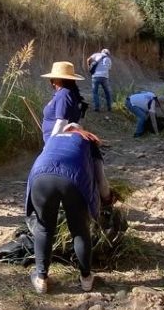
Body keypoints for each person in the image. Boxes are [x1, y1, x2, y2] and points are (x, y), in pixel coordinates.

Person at [25, 124, 113, 294]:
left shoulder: (53, 138)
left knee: (44, 228)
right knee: (79, 229)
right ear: (80, 131)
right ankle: (86, 279)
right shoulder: (88, 141)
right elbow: (101, 182)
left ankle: (41, 278)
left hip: (40, 177)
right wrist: (107, 198)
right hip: (73, 180)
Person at [40, 61, 88, 144]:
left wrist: (51, 144)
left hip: (57, 142)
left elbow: (61, 122)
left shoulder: (64, 94)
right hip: (56, 140)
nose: (51, 81)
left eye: (52, 78)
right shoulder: (65, 93)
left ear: (56, 80)